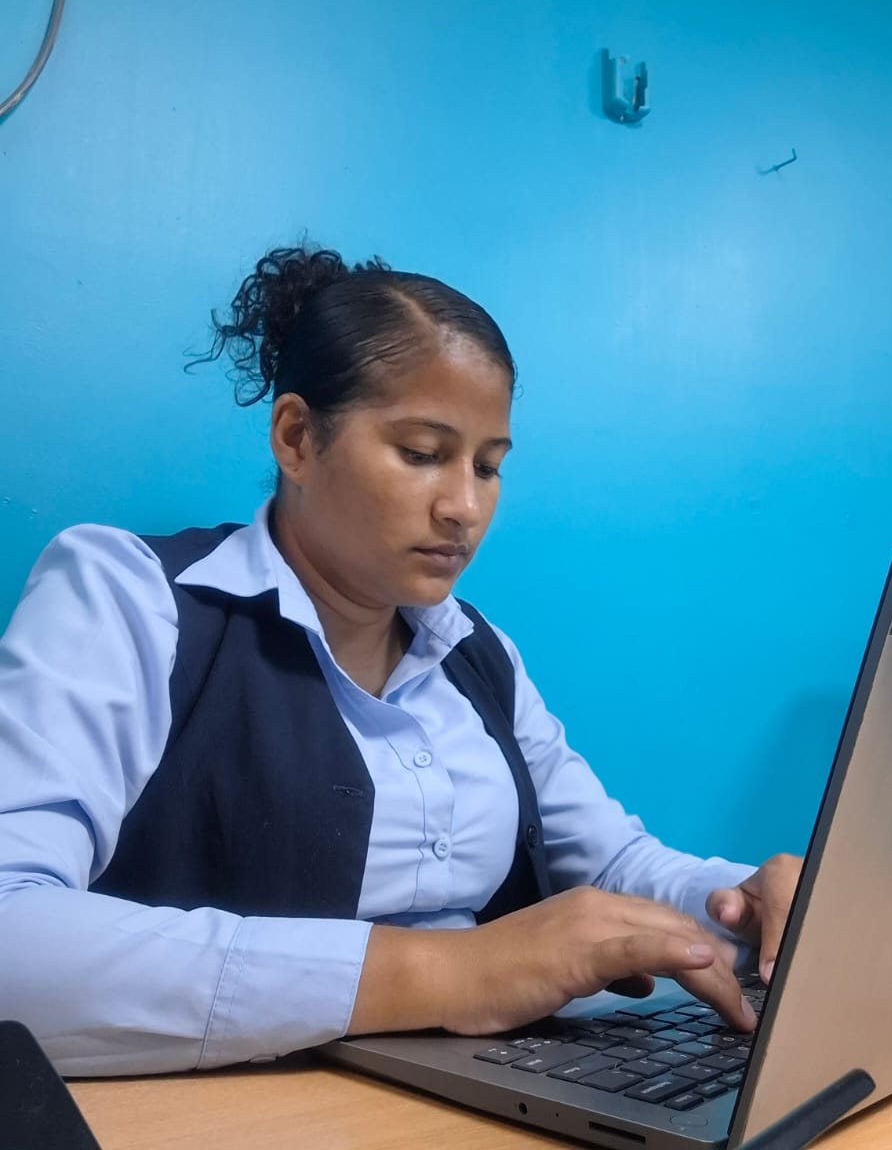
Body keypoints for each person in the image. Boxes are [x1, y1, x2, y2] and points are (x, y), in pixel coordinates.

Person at [0, 245, 801, 1077]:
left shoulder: (476, 653)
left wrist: (744, 904)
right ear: (297, 438)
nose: (464, 507)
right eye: (422, 452)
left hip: (482, 1090)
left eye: (488, 467)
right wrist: (450, 974)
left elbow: (609, 863)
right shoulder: (131, 597)